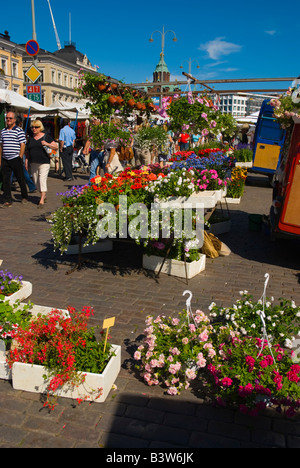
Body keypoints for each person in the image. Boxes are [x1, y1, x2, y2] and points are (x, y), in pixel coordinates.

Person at [25, 120, 58, 207]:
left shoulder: (46, 137)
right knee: (36, 181)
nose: (34, 129)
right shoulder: (30, 138)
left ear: (40, 128)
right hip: (33, 162)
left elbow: (56, 146)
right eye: (32, 127)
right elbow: (27, 151)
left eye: (36, 127)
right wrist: (26, 161)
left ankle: (42, 199)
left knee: (42, 179)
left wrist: (47, 144)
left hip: (44, 162)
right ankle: (43, 194)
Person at [0, 111, 28, 207]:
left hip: (15, 158)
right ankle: (8, 199)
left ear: (14, 120)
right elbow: (1, 145)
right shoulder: (3, 131)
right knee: (6, 180)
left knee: (20, 178)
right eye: (7, 118)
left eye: (10, 118)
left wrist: (20, 157)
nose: (8, 120)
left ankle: (24, 196)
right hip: (5, 158)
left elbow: (23, 145)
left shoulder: (19, 131)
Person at [82, 118, 105, 183]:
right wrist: (85, 149)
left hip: (103, 152)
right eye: (92, 121)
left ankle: (106, 186)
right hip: (94, 151)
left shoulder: (104, 128)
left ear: (98, 120)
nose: (93, 123)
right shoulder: (93, 129)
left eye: (94, 121)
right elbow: (89, 139)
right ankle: (91, 185)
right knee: (93, 169)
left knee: (106, 170)